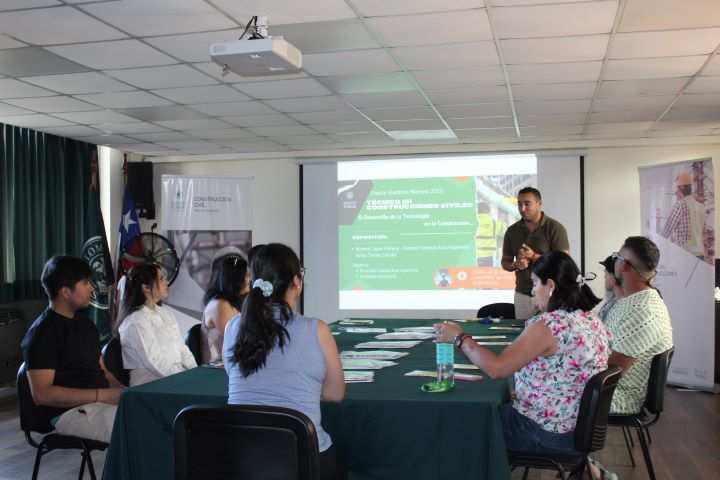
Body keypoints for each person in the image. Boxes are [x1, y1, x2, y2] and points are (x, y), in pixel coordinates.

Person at [435, 251, 610, 466]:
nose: (533, 292)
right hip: (575, 429)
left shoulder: (549, 326)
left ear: (551, 285)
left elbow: (497, 369)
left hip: (545, 432)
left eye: (535, 283)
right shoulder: (592, 320)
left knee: (461, 420)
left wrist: (460, 338)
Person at [223, 243, 346, 480]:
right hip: (303, 460)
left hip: (241, 459)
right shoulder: (317, 329)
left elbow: (236, 376)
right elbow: (335, 394)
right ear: (296, 281)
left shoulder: (233, 327)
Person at [21, 255, 124, 443]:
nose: (91, 288)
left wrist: (122, 392)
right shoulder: (42, 334)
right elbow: (43, 394)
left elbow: (103, 371)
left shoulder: (86, 325)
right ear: (65, 292)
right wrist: (102, 395)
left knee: (151, 417)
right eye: (85, 283)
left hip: (99, 403)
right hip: (67, 413)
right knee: (134, 428)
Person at [606, 237, 673, 414]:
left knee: (547, 389)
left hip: (619, 396)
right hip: (608, 386)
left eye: (616, 258)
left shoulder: (644, 311)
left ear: (623, 266)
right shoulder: (632, 300)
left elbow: (611, 372)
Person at [116, 263, 197, 386]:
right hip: (150, 385)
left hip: (175, 379)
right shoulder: (136, 320)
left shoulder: (165, 313)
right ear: (146, 287)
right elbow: (155, 362)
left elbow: (182, 348)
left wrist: (196, 373)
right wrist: (185, 379)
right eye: (161, 278)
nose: (167, 283)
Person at [502, 187, 569, 319]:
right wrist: (515, 265)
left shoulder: (554, 228)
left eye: (527, 203)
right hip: (522, 296)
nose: (522, 208)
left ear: (539, 203)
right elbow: (505, 262)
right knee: (523, 335)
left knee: (549, 336)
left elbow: (564, 262)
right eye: (519, 204)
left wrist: (534, 256)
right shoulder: (512, 231)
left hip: (550, 295)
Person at [201, 252, 250, 363]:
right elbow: (237, 341)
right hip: (217, 369)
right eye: (247, 275)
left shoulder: (230, 302)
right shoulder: (220, 305)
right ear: (236, 278)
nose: (250, 279)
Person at [661, 172, 707, 260]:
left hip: (685, 254)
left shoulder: (681, 204)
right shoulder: (701, 207)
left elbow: (666, 230)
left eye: (677, 190)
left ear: (681, 189)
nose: (676, 193)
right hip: (700, 255)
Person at [596, 255, 622, 322]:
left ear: (613, 279)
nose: (604, 277)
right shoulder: (612, 300)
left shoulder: (619, 306)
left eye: (606, 275)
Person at [475, 201, 499, 266]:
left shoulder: (474, 222)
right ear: (487, 211)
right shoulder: (493, 223)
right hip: (489, 257)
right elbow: (504, 227)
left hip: (477, 257)